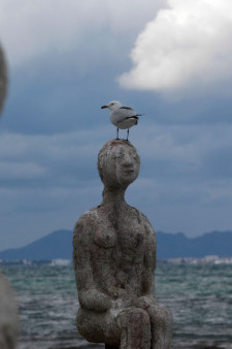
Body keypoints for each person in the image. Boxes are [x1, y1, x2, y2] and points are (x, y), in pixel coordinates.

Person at [73, 139, 172, 349]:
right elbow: (86, 292)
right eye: (119, 158)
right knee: (135, 319)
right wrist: (114, 304)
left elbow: (148, 287)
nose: (128, 163)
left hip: (131, 307)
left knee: (162, 317)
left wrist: (147, 300)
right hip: (95, 315)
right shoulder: (88, 223)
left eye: (133, 158)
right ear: (103, 167)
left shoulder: (142, 223)